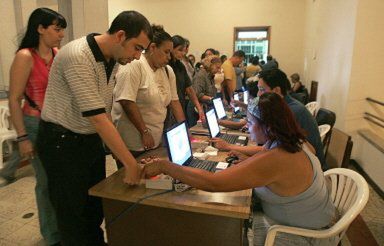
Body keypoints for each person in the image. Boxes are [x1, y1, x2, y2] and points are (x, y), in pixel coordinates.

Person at [144, 93, 338, 245]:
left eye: (252, 123)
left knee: (222, 227)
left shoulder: (278, 157)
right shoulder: (296, 141)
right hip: (314, 224)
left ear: (269, 127)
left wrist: (165, 166)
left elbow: (212, 183)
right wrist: (247, 161)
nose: (249, 130)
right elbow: (266, 157)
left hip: (302, 236)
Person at [36, 11, 152, 245]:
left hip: (87, 139)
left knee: (93, 207)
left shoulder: (114, 59)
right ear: (120, 35)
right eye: (137, 48)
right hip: (61, 141)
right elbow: (98, 118)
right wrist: (130, 163)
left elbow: (104, 113)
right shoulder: (78, 55)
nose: (138, 56)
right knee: (72, 215)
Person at [0, 8, 66, 245]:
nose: (60, 35)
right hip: (34, 122)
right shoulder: (25, 56)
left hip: (57, 123)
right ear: (40, 28)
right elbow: (15, 99)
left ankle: (61, 227)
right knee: (46, 181)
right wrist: (23, 137)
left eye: (62, 30)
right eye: (56, 29)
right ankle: (51, 236)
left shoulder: (57, 54)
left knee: (60, 180)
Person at [212, 69, 327, 171]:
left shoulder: (290, 112)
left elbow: (273, 151)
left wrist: (230, 147)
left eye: (262, 89)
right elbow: (271, 148)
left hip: (304, 169)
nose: (258, 94)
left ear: (276, 90)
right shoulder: (285, 106)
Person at [112, 24, 184, 161]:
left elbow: (174, 102)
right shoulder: (134, 65)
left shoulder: (167, 71)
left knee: (152, 179)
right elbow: (126, 101)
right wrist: (144, 131)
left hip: (156, 139)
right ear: (152, 48)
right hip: (132, 140)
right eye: (166, 52)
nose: (170, 57)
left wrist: (184, 128)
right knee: (133, 179)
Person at [169, 35, 204, 126]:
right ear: (171, 48)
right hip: (168, 109)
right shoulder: (166, 66)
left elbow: (189, 89)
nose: (183, 53)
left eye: (184, 50)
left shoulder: (180, 66)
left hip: (180, 104)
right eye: (180, 50)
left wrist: (199, 107)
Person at [187, 55, 222, 126]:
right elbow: (197, 94)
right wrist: (211, 99)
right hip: (196, 110)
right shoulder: (201, 75)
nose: (219, 70)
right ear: (210, 65)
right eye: (217, 67)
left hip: (205, 108)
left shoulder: (210, 76)